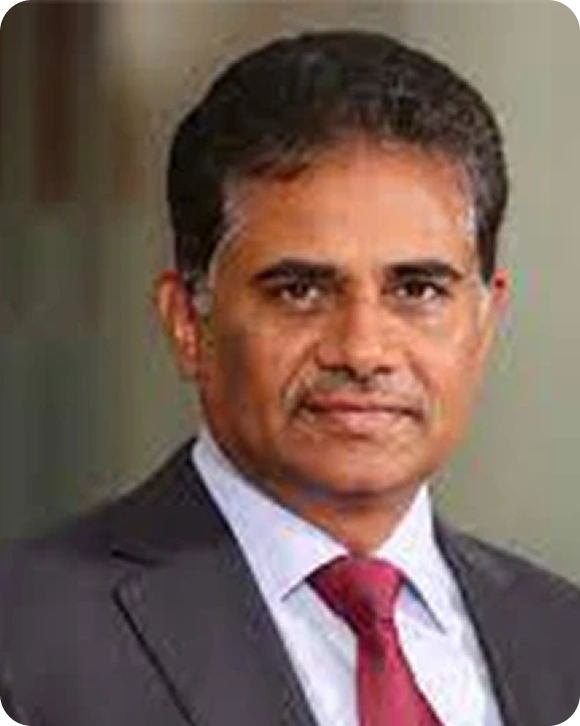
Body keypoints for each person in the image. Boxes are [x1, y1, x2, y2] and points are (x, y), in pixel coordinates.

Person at [0, 29, 579, 726]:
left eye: (417, 290)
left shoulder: (562, 639)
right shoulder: (25, 639)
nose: (363, 351)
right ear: (187, 322)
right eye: (300, 291)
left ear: (484, 322)